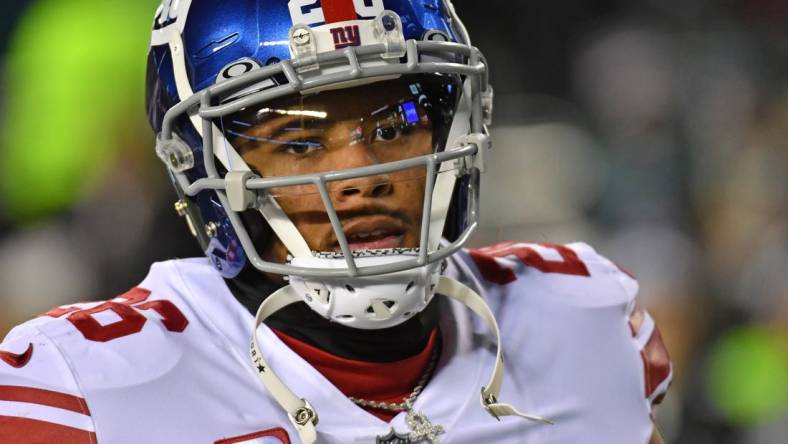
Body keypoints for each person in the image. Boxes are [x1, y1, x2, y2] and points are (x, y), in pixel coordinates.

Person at [0, 1, 671, 443]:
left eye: (396, 124)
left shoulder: (586, 320)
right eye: (298, 141)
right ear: (207, 169)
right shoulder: (86, 387)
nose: (361, 175)